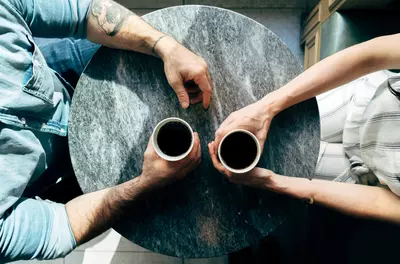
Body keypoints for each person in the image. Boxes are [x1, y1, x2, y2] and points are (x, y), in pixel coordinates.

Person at [0, 0, 212, 262]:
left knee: (185, 53)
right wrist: (144, 184)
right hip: (52, 169)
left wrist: (165, 46)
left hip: (61, 73)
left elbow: (83, 13)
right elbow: (57, 229)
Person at [209, 34, 400, 224]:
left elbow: (380, 203)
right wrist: (265, 108)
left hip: (367, 174)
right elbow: (371, 55)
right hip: (363, 103)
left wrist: (272, 181)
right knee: (274, 122)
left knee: (277, 167)